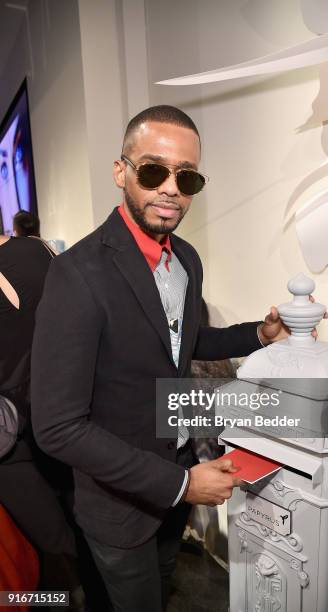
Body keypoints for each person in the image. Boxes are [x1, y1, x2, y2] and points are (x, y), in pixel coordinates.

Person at [31, 105, 291, 612]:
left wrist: (259, 334)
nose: (171, 188)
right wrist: (180, 484)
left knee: (165, 583)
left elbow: (185, 345)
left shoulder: (186, 259)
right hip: (121, 503)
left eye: (186, 176)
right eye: (153, 170)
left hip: (174, 483)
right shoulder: (77, 275)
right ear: (121, 171)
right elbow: (57, 427)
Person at [0, 234, 84, 609]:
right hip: (66, 415)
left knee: (49, 546)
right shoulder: (39, 247)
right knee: (79, 532)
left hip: (11, 439)